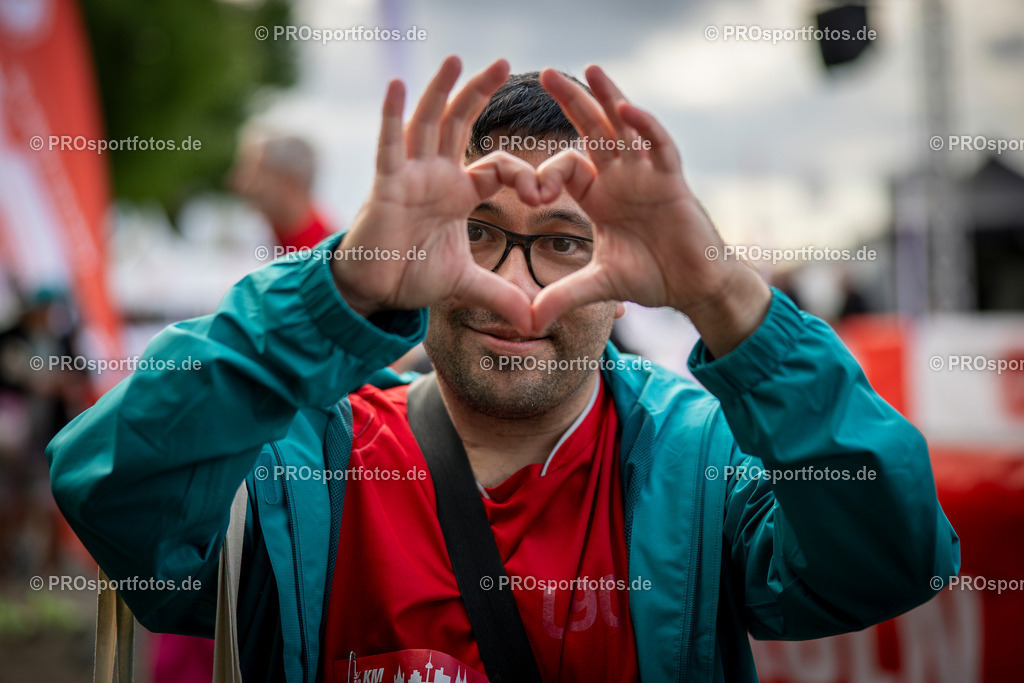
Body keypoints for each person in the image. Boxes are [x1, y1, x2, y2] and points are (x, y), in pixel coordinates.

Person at [48, 57, 959, 682]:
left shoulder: (702, 463)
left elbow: (891, 559)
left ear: (627, 281)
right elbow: (112, 490)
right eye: (477, 234)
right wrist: (341, 286)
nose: (515, 291)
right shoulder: (301, 462)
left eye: (564, 243)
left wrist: (722, 294)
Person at [230, 128, 333, 251]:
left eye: (255, 173)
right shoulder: (268, 238)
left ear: (289, 182)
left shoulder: (328, 255)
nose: (241, 183)